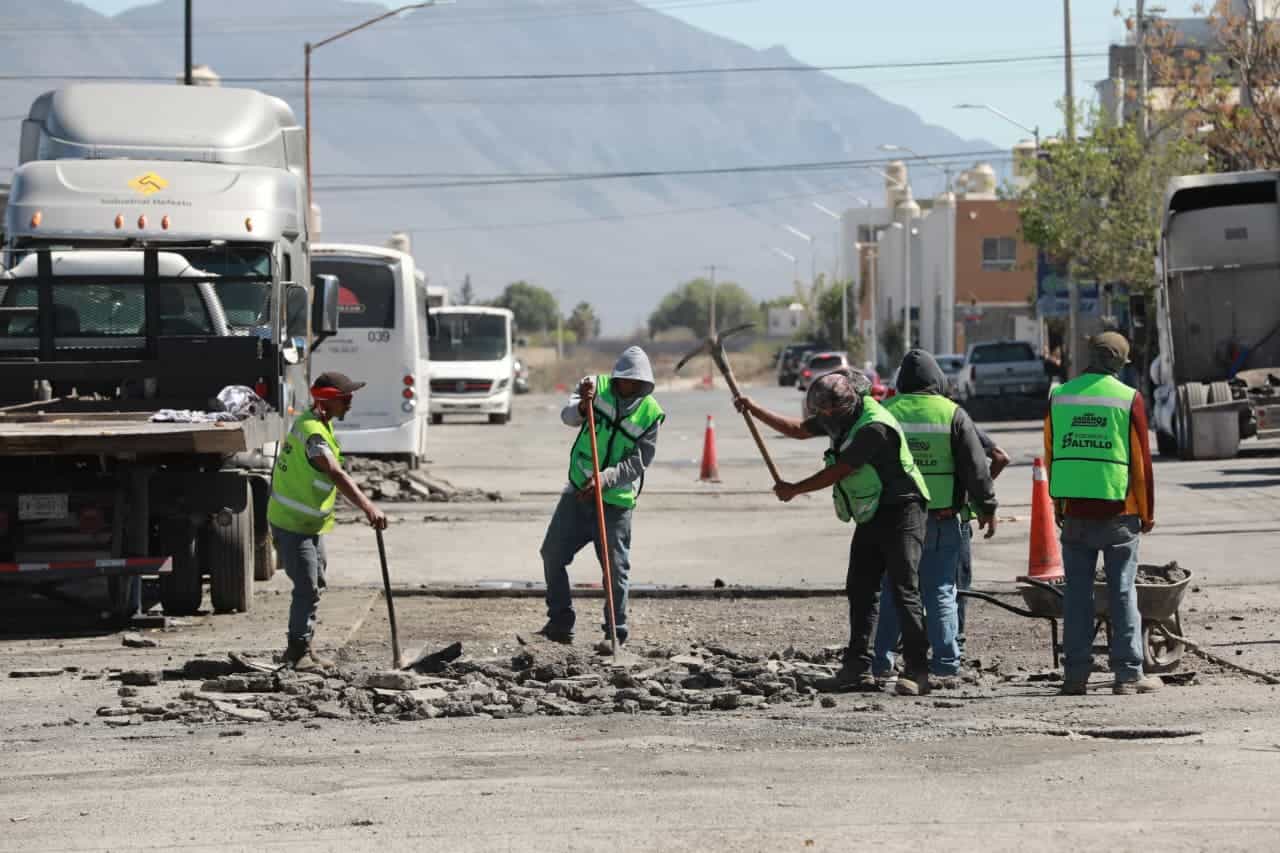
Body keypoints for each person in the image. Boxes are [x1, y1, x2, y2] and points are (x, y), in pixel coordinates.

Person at [736, 369, 934, 696]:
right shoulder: (836, 415)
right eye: (822, 414)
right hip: (872, 509)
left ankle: (918, 671)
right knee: (860, 587)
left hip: (904, 508)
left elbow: (841, 470)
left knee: (903, 588)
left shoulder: (874, 426)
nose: (827, 419)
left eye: (832, 413)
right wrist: (754, 409)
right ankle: (857, 670)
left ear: (848, 404)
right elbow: (799, 430)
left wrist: (794, 489)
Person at [872, 350, 998, 687]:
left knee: (893, 591)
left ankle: (882, 662)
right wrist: (987, 507)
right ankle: (946, 664)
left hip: (894, 521)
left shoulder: (884, 413)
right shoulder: (953, 414)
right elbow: (977, 468)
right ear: (937, 380)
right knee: (941, 591)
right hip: (942, 518)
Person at [1045, 332, 1160, 695]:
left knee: (1078, 595)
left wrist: (1058, 505)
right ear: (1120, 364)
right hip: (1119, 511)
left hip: (1076, 510)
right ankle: (1128, 674)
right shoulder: (1128, 399)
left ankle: (1075, 676)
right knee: (1122, 590)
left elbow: (1052, 454)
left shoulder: (1060, 396)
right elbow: (1141, 464)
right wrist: (1147, 511)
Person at [537, 346, 664, 650]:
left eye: (634, 384)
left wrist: (605, 479)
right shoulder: (594, 387)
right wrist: (583, 406)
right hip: (578, 494)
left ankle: (615, 633)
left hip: (615, 502)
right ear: (616, 376)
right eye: (623, 381)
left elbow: (639, 461)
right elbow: (567, 417)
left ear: (644, 384)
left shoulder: (650, 413)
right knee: (552, 553)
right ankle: (560, 622)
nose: (626, 388)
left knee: (615, 568)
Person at [267, 372, 388, 672]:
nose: (350, 403)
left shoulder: (321, 424)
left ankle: (304, 646)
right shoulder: (314, 434)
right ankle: (296, 653)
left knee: (316, 583)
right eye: (345, 398)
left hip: (309, 524)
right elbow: (335, 473)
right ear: (327, 401)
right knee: (307, 587)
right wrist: (368, 507)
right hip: (292, 523)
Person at [956, 430, 1010, 654]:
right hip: (953, 516)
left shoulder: (894, 412)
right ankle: (952, 647)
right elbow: (1000, 457)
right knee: (954, 586)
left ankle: (899, 650)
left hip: (905, 518)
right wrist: (979, 498)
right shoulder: (954, 418)